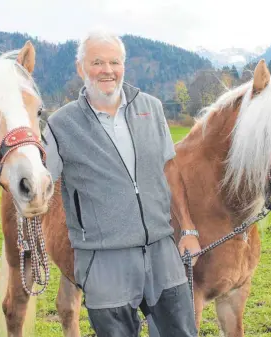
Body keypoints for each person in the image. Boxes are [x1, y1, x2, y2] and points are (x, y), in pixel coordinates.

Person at [43, 30, 201, 337]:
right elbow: (39, 183)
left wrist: (189, 229)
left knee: (181, 332)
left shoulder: (151, 108)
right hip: (103, 259)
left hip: (160, 250)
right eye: (97, 62)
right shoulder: (60, 124)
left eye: (114, 62)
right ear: (80, 68)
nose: (107, 70)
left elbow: (169, 169)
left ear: (124, 66)